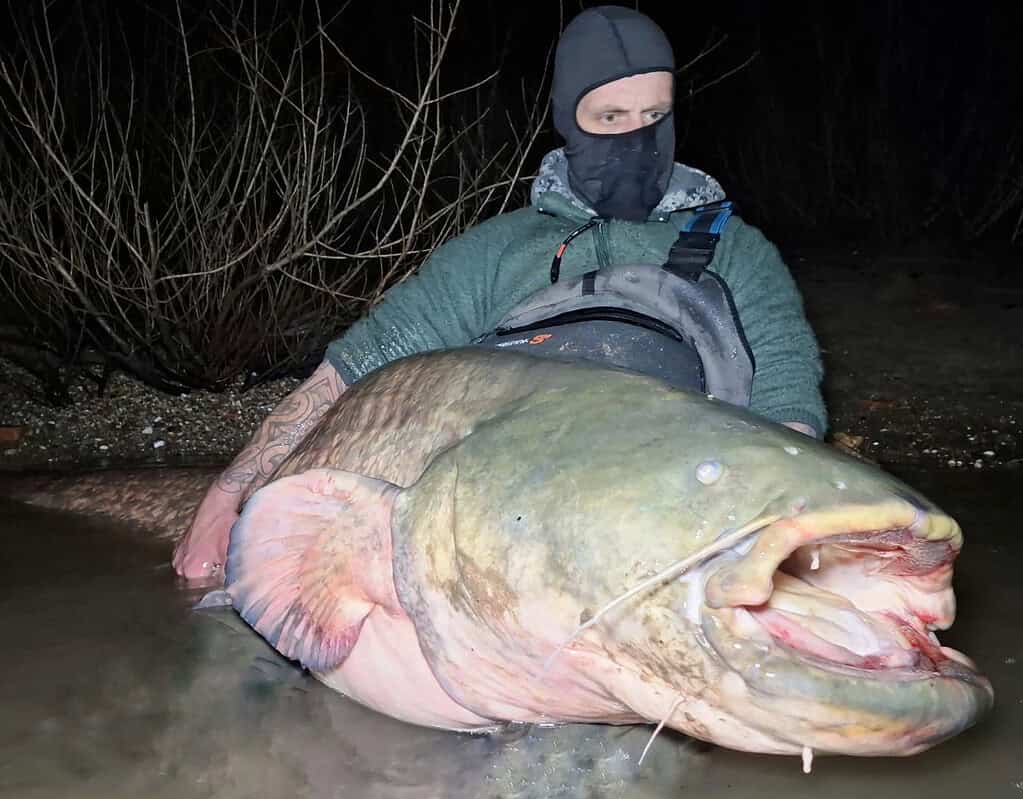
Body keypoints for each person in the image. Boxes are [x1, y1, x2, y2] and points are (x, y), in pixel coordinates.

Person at [173, 5, 826, 581]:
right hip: (495, 534)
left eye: (654, 115)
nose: (635, 138)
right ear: (568, 120)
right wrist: (227, 495)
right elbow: (349, 373)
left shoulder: (734, 248)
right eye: (610, 116)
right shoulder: (494, 250)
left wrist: (787, 528)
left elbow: (786, 391)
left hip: (665, 519)